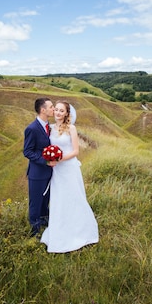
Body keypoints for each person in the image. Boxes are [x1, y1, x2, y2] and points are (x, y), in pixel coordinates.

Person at [41, 101, 99, 253]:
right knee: (59, 200)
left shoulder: (71, 128)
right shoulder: (51, 128)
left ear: (67, 113)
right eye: (57, 110)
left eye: (62, 111)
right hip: (57, 172)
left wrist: (58, 159)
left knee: (74, 198)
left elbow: (75, 151)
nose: (58, 113)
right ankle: (60, 230)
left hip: (68, 168)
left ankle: (81, 231)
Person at [23, 97, 56, 237]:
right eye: (51, 107)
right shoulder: (32, 128)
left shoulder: (50, 127)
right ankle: (34, 230)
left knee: (45, 200)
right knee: (35, 202)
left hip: (49, 172)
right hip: (37, 173)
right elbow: (28, 151)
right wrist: (45, 161)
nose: (54, 109)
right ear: (43, 110)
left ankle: (44, 221)